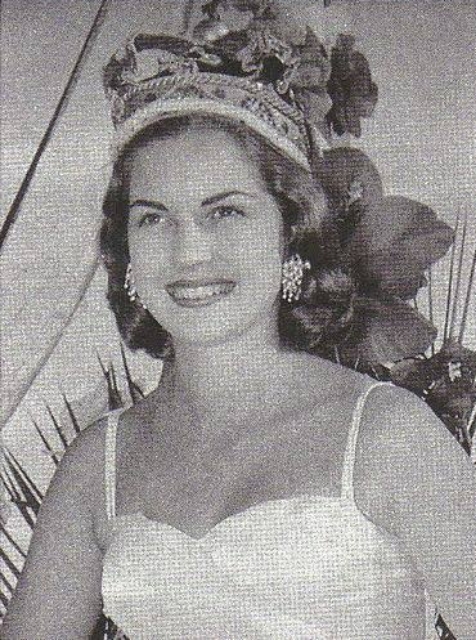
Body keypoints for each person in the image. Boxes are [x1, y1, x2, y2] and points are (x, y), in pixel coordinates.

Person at [3, 2, 476, 639]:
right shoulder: (97, 465)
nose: (189, 252)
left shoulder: (387, 434)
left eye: (225, 212)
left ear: (291, 234)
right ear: (127, 254)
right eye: (154, 217)